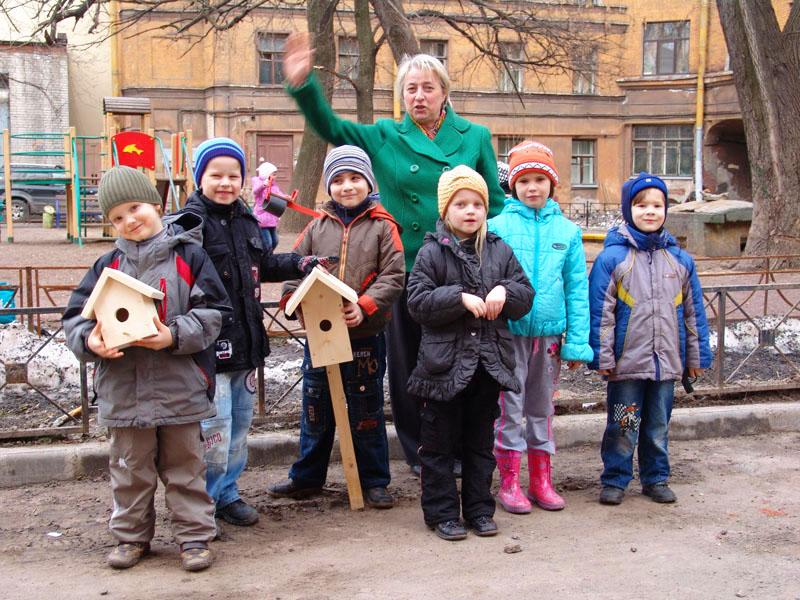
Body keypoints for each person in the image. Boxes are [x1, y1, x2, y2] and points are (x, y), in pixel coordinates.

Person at [282, 32, 506, 475]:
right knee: (409, 367)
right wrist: (303, 85)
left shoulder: (476, 136)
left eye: (428, 88)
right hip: (406, 270)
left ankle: (460, 449)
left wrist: (486, 254)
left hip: (461, 271)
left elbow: (495, 204)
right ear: (401, 96)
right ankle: (421, 451)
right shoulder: (386, 135)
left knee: (459, 363)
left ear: (444, 93)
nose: (419, 96)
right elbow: (332, 128)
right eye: (410, 88)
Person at [62, 166, 231, 572]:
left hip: (180, 388)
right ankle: (131, 537)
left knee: (186, 469)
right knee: (129, 471)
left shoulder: (189, 256)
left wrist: (172, 334)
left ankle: (194, 538)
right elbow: (76, 318)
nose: (130, 220)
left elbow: (214, 312)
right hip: (124, 392)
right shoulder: (107, 265)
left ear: (156, 204)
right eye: (117, 217)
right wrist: (90, 341)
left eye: (135, 207)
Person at [181, 137, 336, 527]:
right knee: (213, 432)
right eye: (215, 175)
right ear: (200, 178)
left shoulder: (248, 220)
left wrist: (300, 264)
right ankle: (202, 504)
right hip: (209, 348)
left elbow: (262, 265)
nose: (225, 183)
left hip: (246, 346)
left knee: (238, 428)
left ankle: (227, 494)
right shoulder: (189, 225)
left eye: (233, 175)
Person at [268, 146, 405, 508]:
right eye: (338, 180)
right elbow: (293, 268)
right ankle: (307, 477)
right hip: (320, 336)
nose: (347, 186)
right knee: (316, 408)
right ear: (328, 186)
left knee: (366, 409)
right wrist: (292, 302)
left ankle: (374, 480)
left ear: (368, 182)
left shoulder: (383, 226)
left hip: (365, 337)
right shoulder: (316, 226)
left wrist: (365, 306)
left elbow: (393, 276)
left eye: (355, 178)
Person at [406, 165, 533, 541]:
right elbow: (417, 302)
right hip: (443, 370)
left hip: (487, 367)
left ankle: (479, 509)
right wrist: (458, 298)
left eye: (477, 204)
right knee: (439, 445)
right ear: (445, 210)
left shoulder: (499, 250)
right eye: (461, 204)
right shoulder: (431, 252)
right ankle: (442, 513)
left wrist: (505, 291)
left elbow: (525, 295)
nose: (470, 211)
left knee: (480, 445)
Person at [588, 172, 712, 506]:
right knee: (623, 424)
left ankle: (656, 478)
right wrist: (602, 356)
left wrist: (696, 357)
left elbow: (693, 313)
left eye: (657, 205)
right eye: (641, 205)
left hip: (666, 362)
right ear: (628, 210)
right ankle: (615, 478)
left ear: (666, 210)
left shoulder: (680, 260)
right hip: (627, 364)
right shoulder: (613, 259)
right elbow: (601, 313)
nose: (650, 212)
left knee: (658, 425)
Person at [487, 140, 594, 514]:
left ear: (552, 183)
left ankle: (542, 480)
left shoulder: (568, 231)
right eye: (524, 180)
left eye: (539, 180)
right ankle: (510, 481)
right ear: (513, 185)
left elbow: (577, 289)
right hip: (508, 335)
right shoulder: (496, 227)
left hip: (547, 338)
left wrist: (577, 342)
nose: (532, 187)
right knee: (508, 409)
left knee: (541, 408)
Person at [251, 161, 282, 253]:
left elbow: (279, 195)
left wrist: (287, 197)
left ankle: (267, 255)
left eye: (275, 174)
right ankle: (266, 257)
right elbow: (255, 191)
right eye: (273, 174)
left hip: (272, 218)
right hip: (262, 220)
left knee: (275, 241)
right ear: (266, 174)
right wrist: (264, 185)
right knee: (268, 242)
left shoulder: (274, 186)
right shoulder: (259, 184)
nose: (275, 177)